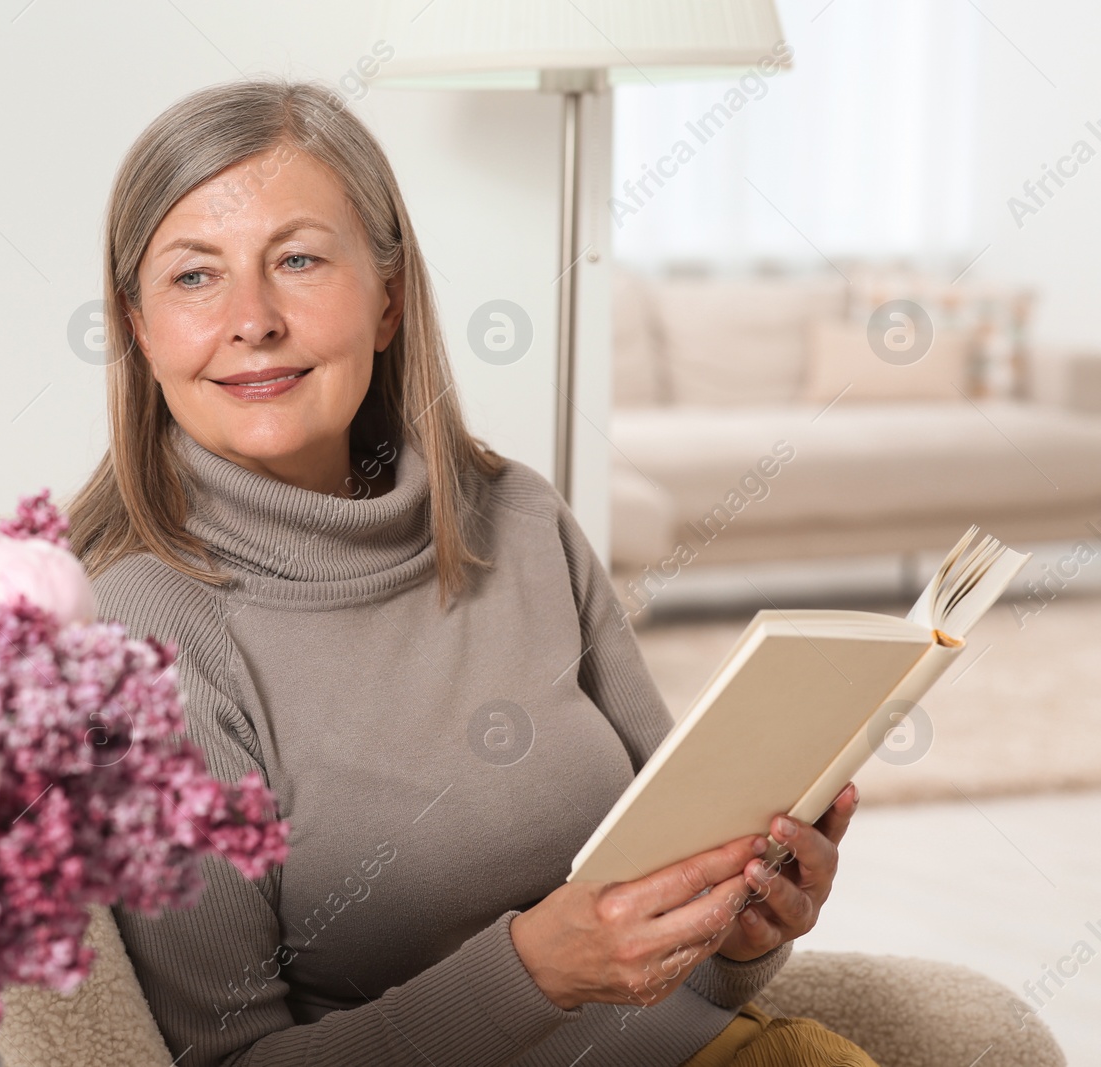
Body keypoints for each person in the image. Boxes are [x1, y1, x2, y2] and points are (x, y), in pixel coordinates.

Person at [65, 77, 878, 1067]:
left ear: (388, 298)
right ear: (138, 327)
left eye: (299, 259)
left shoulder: (521, 518)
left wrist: (740, 935)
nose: (253, 317)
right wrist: (529, 975)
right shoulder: (136, 636)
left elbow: (680, 938)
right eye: (195, 276)